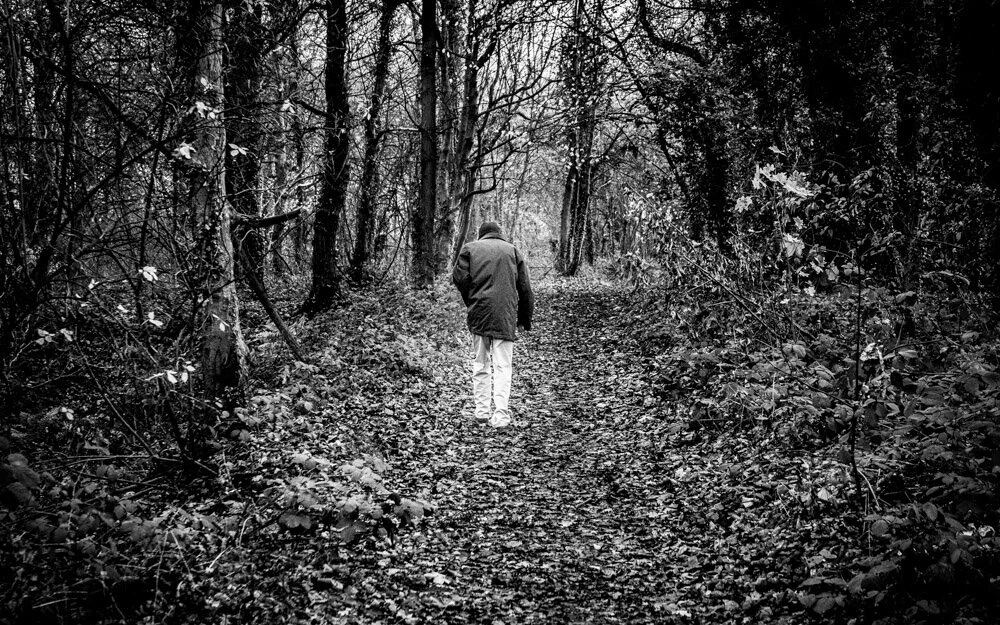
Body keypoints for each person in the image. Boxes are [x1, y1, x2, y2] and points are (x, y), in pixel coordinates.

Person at [452, 222, 534, 428]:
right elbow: (525, 287)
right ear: (499, 234)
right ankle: (501, 416)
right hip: (505, 315)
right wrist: (524, 318)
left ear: (482, 235)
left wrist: (471, 299)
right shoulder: (512, 251)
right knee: (503, 366)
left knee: (481, 363)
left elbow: (459, 278)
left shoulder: (470, 249)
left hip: (479, 313)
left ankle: (481, 411)